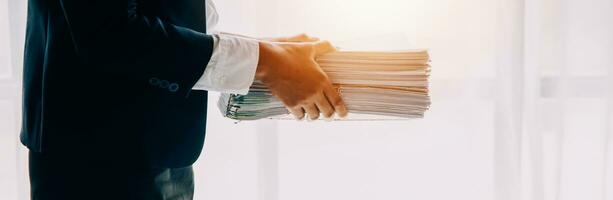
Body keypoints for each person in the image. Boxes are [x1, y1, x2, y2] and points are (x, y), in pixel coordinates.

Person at [21, 0, 348, 199]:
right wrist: (266, 62)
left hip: (159, 146)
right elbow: (108, 33)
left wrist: (270, 55)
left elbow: (163, 14)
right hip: (93, 158)